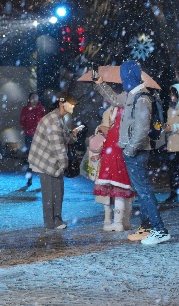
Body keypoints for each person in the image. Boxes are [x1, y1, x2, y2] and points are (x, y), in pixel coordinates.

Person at [95, 60, 171, 245]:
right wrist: (100, 84)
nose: (122, 78)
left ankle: (160, 230)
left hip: (136, 152)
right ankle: (147, 228)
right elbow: (113, 99)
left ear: (131, 76)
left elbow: (142, 128)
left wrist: (129, 149)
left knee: (144, 190)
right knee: (141, 189)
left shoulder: (142, 98)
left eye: (124, 75)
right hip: (133, 151)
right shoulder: (130, 95)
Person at [28, 92, 83, 230]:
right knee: (51, 193)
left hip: (51, 160)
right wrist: (65, 165)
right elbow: (58, 147)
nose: (73, 107)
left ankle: (56, 220)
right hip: (45, 161)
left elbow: (64, 138)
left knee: (57, 191)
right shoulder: (53, 121)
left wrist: (73, 134)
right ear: (61, 104)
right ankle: (51, 222)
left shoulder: (58, 118)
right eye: (71, 104)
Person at [93, 105, 137, 232]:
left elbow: (110, 145)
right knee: (127, 192)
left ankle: (118, 223)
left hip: (115, 163)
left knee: (119, 194)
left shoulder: (116, 130)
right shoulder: (125, 126)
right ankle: (126, 221)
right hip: (123, 160)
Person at [20, 93, 46, 188]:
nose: (34, 99)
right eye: (32, 97)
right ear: (29, 99)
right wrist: (27, 130)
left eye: (35, 97)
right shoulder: (26, 109)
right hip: (29, 136)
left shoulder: (41, 109)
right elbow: (22, 121)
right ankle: (29, 179)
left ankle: (43, 180)